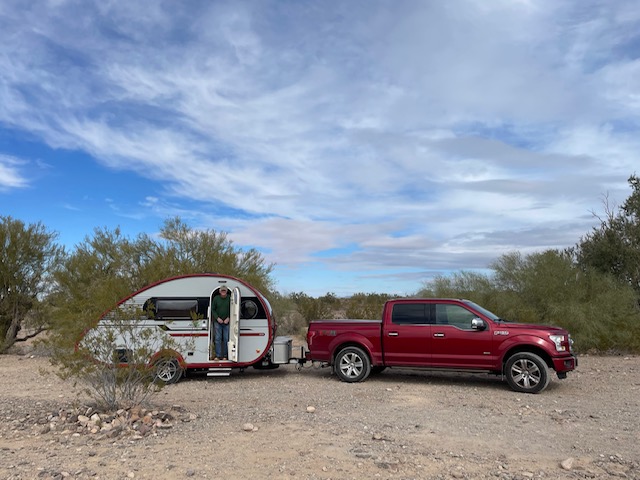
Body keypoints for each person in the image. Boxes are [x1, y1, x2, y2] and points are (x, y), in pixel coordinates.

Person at [211, 286, 231, 360]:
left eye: (224, 291)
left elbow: (233, 309)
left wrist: (229, 317)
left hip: (227, 322)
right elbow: (213, 309)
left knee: (226, 338)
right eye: (222, 291)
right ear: (220, 291)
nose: (223, 292)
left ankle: (225, 356)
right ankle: (218, 355)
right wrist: (217, 318)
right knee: (217, 339)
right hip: (218, 322)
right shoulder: (216, 299)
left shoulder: (230, 298)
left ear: (226, 291)